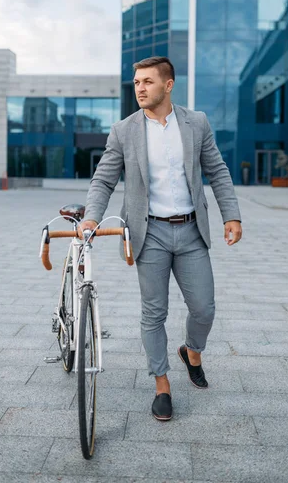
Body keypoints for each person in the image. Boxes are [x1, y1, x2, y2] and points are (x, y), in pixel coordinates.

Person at [80, 56, 242, 421]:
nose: (140, 88)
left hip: (190, 230)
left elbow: (217, 170)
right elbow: (104, 178)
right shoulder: (124, 130)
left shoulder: (196, 123)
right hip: (148, 231)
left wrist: (231, 215)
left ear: (168, 85)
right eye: (136, 82)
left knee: (204, 307)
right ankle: (162, 384)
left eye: (148, 82)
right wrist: (91, 216)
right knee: (154, 312)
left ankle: (192, 352)